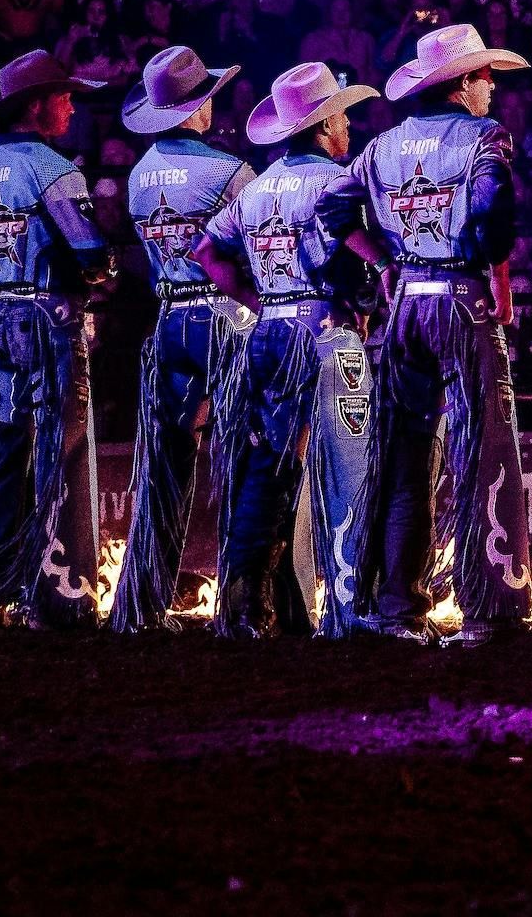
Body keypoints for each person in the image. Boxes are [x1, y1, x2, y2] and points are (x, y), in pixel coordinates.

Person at [318, 23, 532, 647]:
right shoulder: (485, 138)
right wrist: (491, 267)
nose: (492, 87)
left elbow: (333, 209)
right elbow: (494, 212)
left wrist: (385, 259)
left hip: (407, 302)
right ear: (463, 83)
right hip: (463, 300)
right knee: (481, 448)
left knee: (407, 455)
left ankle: (397, 607)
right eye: (484, 76)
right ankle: (488, 606)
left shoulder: (382, 147)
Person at [194, 63, 388, 639]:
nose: (349, 125)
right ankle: (353, 608)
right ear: (325, 124)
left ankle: (250, 605)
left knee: (268, 471)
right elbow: (355, 239)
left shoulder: (255, 190)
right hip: (326, 332)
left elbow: (207, 251)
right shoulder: (338, 181)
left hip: (269, 334)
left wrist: (256, 297)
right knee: (349, 469)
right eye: (343, 116)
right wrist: (380, 271)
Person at [0, 51, 114, 628]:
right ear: (37, 106)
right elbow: (90, 252)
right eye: (63, 97)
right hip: (52, 326)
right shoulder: (54, 169)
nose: (71, 106)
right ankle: (57, 593)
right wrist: (104, 273)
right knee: (60, 452)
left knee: (0, 455)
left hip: (1, 325)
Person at [107, 48, 255, 634]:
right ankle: (241, 603)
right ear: (197, 109)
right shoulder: (229, 173)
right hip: (225, 317)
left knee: (163, 463)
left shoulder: (139, 176)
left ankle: (142, 600)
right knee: (243, 458)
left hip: (169, 319)